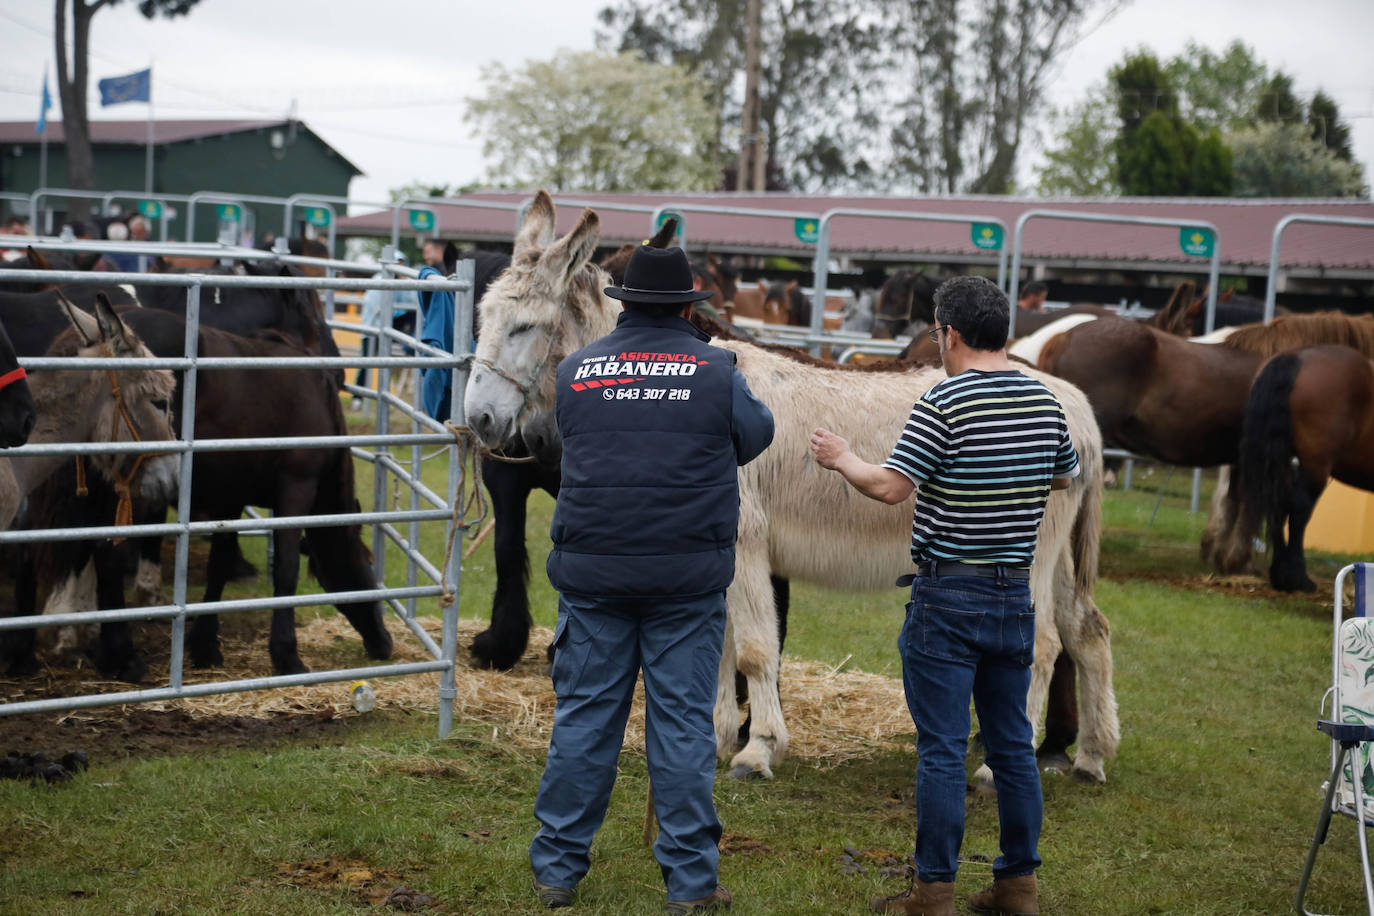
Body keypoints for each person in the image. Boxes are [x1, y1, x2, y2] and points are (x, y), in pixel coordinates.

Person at [808, 275, 1079, 916]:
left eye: (935, 331)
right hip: (1013, 596)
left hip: (948, 596)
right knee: (1012, 745)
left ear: (948, 333)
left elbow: (890, 488)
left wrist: (843, 457)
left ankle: (932, 892)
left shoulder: (944, 402)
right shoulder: (1045, 401)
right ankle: (1018, 885)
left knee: (942, 748)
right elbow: (1067, 474)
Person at [529, 245, 774, 913]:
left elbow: (571, 435)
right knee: (683, 728)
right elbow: (756, 436)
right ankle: (691, 884)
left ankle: (555, 870)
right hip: (684, 581)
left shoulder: (578, 371)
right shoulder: (717, 371)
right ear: (690, 307)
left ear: (625, 304)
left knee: (582, 723)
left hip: (592, 575)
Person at [353, 255, 421, 410]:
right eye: (399, 265)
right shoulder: (379, 280)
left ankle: (413, 342)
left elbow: (411, 301)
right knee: (366, 362)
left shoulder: (399, 282)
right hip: (373, 327)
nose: (401, 269)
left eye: (403, 265)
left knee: (385, 362)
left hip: (389, 324)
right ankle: (357, 397)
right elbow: (379, 309)